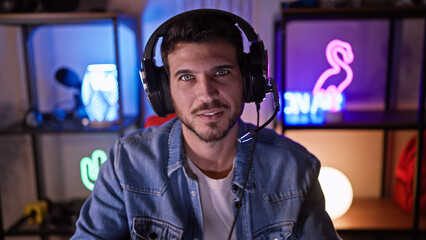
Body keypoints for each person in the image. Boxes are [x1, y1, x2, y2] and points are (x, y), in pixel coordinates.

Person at [72, 9, 341, 240]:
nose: (207, 94)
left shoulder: (295, 167)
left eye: (222, 72)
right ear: (163, 92)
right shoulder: (126, 164)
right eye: (187, 77)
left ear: (250, 81)